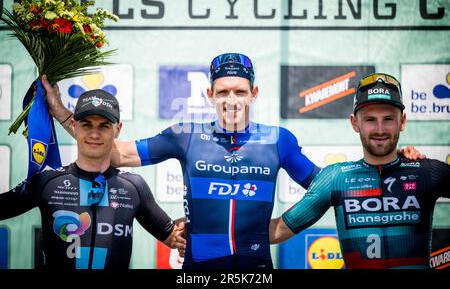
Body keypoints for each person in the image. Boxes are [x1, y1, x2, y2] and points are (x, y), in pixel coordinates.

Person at [42, 55, 423, 269]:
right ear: (210, 94)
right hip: (198, 272)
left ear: (254, 92)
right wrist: (64, 114)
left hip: (256, 271)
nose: (232, 99)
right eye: (223, 91)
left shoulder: (279, 140)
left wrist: (396, 161)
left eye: (240, 91)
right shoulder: (185, 135)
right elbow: (114, 149)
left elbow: (330, 187)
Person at [269, 73, 450, 269]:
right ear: (355, 123)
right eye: (370, 120)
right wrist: (231, 227)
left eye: (388, 119)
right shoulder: (336, 177)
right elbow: (279, 230)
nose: (380, 129)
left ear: (402, 121)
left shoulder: (427, 171)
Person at [0, 89, 183, 269]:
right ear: (73, 125)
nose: (94, 134)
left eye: (104, 126)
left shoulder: (134, 187)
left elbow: (175, 237)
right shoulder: (46, 182)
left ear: (117, 129)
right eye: (86, 124)